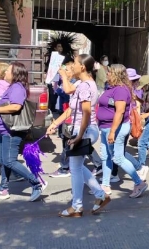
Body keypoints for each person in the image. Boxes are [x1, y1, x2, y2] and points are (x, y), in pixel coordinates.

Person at [47, 54, 111, 217]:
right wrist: (55, 123)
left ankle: (77, 206)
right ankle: (100, 195)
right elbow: (71, 109)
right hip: (82, 129)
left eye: (74, 64)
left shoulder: (85, 86)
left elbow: (87, 113)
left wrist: (79, 136)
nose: (71, 67)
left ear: (82, 67)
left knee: (74, 168)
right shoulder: (83, 83)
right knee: (77, 167)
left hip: (85, 129)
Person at [0, 62, 47, 201]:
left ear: (15, 74)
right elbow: (7, 103)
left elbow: (15, 107)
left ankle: (37, 183)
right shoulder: (13, 87)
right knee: (5, 160)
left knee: (10, 161)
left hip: (11, 131)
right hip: (5, 129)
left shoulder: (17, 87)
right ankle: (2, 189)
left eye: (8, 71)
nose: (5, 73)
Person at [98, 64, 148, 198]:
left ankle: (139, 183)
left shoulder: (120, 90)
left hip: (114, 128)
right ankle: (105, 184)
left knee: (118, 158)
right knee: (106, 156)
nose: (107, 74)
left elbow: (119, 112)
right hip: (105, 127)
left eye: (109, 73)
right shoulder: (112, 88)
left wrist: (113, 132)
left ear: (115, 74)